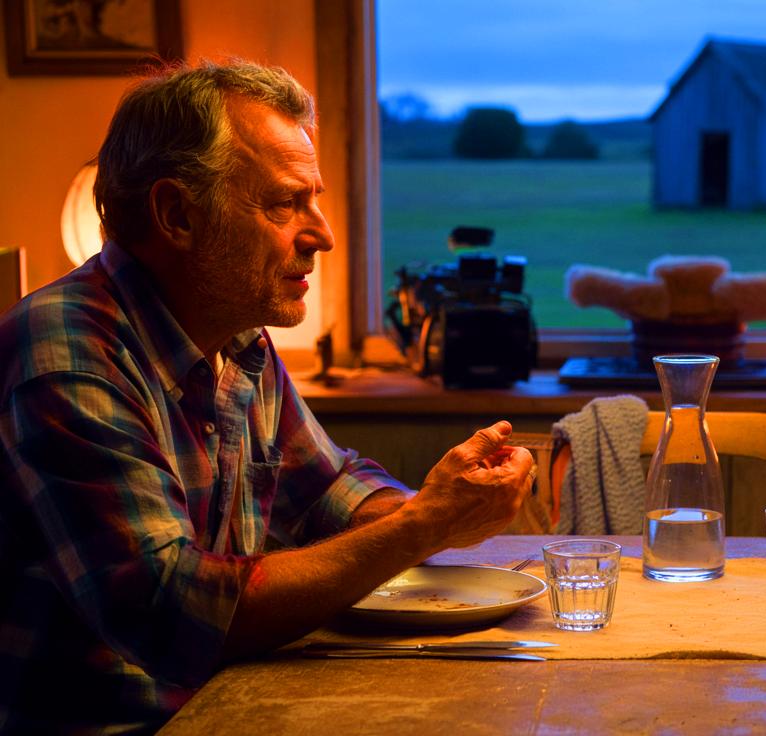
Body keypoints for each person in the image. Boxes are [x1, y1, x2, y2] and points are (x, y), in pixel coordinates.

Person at [0, 60, 534, 732]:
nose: (324, 235)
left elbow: (329, 490)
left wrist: (436, 506)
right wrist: (423, 526)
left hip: (227, 709)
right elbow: (172, 612)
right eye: (286, 203)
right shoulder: (65, 353)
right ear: (177, 215)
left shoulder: (235, 337)